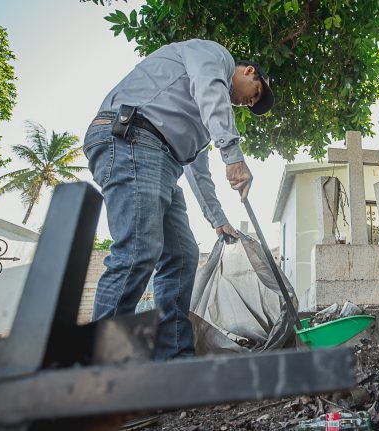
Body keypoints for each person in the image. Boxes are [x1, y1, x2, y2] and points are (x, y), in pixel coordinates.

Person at [83, 39, 274, 360]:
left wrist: (218, 221)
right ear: (249, 71)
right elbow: (211, 89)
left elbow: (197, 169)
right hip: (132, 137)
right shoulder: (214, 56)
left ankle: (175, 361)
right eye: (253, 93)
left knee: (182, 254)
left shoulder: (197, 118)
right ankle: (99, 373)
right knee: (137, 249)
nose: (246, 102)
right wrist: (233, 155)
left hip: (162, 158)